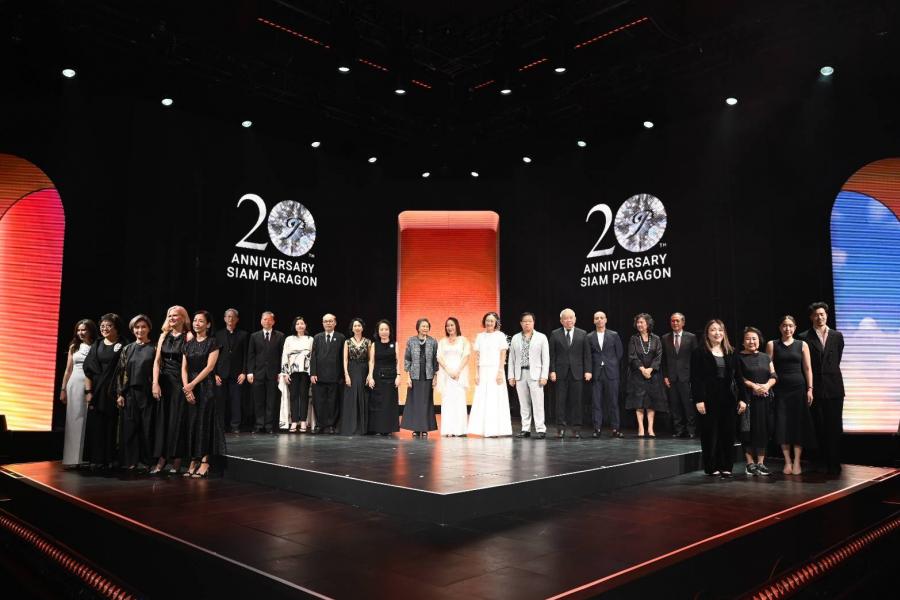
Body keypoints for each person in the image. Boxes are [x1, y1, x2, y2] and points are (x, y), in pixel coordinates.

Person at [798, 302, 845, 475]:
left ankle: (834, 462)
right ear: (811, 317)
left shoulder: (837, 336)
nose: (820, 317)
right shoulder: (804, 337)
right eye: (816, 315)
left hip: (834, 387)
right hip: (814, 387)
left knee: (835, 426)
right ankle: (819, 462)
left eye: (822, 314)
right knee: (817, 426)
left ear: (827, 315)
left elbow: (837, 359)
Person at [767, 315, 816, 475]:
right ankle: (787, 461)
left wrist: (810, 389)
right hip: (780, 390)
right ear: (780, 327)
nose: (787, 328)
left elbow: (808, 368)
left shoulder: (802, 344)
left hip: (798, 389)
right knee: (783, 425)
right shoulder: (772, 344)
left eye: (790, 325)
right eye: (784, 325)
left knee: (798, 425)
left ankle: (797, 461)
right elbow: (769, 368)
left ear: (795, 328)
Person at [691, 319, 738, 477]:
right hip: (708, 398)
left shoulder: (731, 351)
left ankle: (726, 466)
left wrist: (743, 399)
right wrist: (698, 399)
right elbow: (695, 378)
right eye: (713, 330)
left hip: (728, 398)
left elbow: (738, 377)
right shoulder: (699, 352)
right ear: (707, 333)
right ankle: (711, 467)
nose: (717, 333)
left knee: (728, 433)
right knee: (710, 434)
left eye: (720, 330)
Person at [151, 305, 193, 475]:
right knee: (163, 420)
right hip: (164, 381)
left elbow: (187, 365)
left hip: (178, 381)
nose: (171, 318)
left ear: (183, 318)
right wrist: (155, 382)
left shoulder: (188, 336)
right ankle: (162, 458)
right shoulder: (163, 335)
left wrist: (186, 386)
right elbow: (157, 361)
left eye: (175, 315)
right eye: (169, 316)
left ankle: (176, 459)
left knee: (177, 420)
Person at [181, 310, 222, 478]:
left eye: (201, 321)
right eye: (195, 320)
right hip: (190, 386)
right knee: (192, 423)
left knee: (205, 422)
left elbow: (209, 367)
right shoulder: (188, 344)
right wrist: (187, 387)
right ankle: (193, 459)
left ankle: (205, 460)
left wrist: (192, 384)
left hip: (205, 386)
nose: (196, 323)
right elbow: (184, 368)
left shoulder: (213, 342)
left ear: (208, 324)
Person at [82, 313, 126, 469]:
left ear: (116, 328)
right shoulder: (97, 344)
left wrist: (121, 392)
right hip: (97, 390)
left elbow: (125, 371)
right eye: (102, 326)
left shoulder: (124, 344)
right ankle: (96, 458)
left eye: (109, 326)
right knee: (96, 425)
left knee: (112, 425)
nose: (104, 328)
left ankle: (110, 459)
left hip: (114, 391)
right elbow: (88, 370)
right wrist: (88, 392)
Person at [115, 315, 157, 471]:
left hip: (148, 393)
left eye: (143, 327)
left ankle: (147, 461)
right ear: (133, 330)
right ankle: (130, 461)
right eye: (137, 327)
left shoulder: (154, 348)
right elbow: (121, 372)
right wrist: (120, 393)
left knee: (147, 428)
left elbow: (159, 370)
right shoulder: (127, 349)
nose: (140, 330)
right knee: (130, 428)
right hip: (130, 393)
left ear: (149, 329)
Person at [735, 327, 777, 476]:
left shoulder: (765, 357)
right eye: (748, 339)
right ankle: (749, 463)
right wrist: (754, 386)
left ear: (759, 341)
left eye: (754, 338)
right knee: (747, 431)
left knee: (763, 431)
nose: (751, 341)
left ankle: (761, 463)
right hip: (747, 399)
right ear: (743, 342)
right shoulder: (738, 357)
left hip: (764, 399)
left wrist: (766, 386)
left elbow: (774, 375)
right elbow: (739, 377)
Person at [549, 308, 592, 438]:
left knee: (577, 402)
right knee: (560, 402)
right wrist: (552, 370)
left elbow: (587, 355)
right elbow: (552, 355)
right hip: (560, 373)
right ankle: (560, 428)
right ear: (561, 320)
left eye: (571, 318)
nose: (568, 320)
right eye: (566, 318)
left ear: (575, 319)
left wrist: (588, 370)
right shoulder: (555, 334)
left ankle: (576, 428)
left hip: (577, 372)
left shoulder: (582, 334)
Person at [60, 319, 97, 467]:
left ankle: (85, 458)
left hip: (90, 384)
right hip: (74, 383)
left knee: (88, 421)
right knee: (74, 420)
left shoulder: (96, 345)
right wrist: (63, 389)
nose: (81, 332)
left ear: (90, 330)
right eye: (79, 330)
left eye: (84, 330)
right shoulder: (74, 347)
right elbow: (68, 370)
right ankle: (72, 459)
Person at [469, 312, 512, 437]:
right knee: (482, 399)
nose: (489, 323)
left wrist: (500, 371)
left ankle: (494, 429)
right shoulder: (480, 336)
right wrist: (477, 373)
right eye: (487, 320)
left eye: (492, 321)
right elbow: (477, 357)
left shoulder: (500, 336)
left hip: (495, 370)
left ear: (496, 323)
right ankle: (482, 429)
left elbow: (503, 355)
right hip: (483, 370)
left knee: (495, 399)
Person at [508, 312, 549, 439]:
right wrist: (511, 376)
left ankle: (540, 429)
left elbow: (546, 358)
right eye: (524, 321)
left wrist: (544, 376)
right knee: (524, 403)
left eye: (529, 321)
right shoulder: (515, 338)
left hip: (535, 374)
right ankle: (525, 429)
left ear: (533, 323)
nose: (527, 323)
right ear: (521, 323)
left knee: (538, 403)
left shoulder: (541, 337)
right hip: (520, 374)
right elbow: (512, 358)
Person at [625, 313, 667, 438]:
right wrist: (643, 369)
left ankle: (650, 428)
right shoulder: (634, 339)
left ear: (648, 324)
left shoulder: (656, 339)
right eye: (638, 322)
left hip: (653, 375)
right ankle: (641, 428)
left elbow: (659, 356)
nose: (639, 324)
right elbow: (632, 356)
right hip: (637, 374)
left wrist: (650, 369)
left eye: (641, 322)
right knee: (639, 402)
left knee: (651, 402)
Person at [587, 311, 625, 438]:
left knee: (613, 402)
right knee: (596, 403)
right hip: (596, 373)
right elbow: (588, 356)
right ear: (594, 321)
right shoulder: (589, 337)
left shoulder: (614, 335)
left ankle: (615, 429)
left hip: (611, 373)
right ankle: (597, 428)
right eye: (596, 318)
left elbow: (619, 353)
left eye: (601, 318)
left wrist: (610, 363)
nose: (599, 320)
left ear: (606, 320)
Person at [247, 311, 285, 434]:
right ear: (261, 321)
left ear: (273, 322)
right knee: (258, 401)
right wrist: (250, 372)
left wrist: (281, 372)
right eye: (264, 319)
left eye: (269, 319)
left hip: (273, 374)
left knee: (271, 401)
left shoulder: (280, 336)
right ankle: (259, 424)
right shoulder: (254, 336)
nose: (267, 321)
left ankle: (269, 425)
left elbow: (282, 356)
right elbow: (251, 355)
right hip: (258, 373)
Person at [661, 313, 699, 438]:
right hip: (671, 377)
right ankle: (679, 430)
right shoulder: (665, 338)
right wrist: (665, 376)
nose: (675, 323)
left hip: (686, 377)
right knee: (675, 405)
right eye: (672, 321)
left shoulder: (691, 337)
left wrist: (694, 377)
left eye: (677, 321)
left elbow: (696, 359)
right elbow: (663, 360)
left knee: (688, 405)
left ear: (683, 323)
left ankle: (691, 430)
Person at [401, 318, 439, 437]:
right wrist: (408, 377)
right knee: (415, 402)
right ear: (418, 328)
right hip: (414, 375)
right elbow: (407, 359)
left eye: (427, 326)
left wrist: (435, 377)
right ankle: (416, 429)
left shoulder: (433, 341)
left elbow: (435, 360)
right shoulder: (411, 341)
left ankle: (425, 428)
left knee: (426, 402)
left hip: (428, 375)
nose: (425, 328)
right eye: (423, 326)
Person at [310, 313, 345, 434]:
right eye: (326, 321)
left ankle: (331, 425)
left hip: (335, 376)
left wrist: (342, 375)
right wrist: (313, 373)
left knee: (333, 402)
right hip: (319, 376)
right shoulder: (317, 337)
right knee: (319, 402)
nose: (328, 323)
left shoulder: (340, 337)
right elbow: (313, 356)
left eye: (330, 321)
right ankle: (320, 425)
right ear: (322, 323)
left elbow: (343, 358)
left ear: (335, 323)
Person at [214, 308, 248, 434]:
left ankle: (235, 425)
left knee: (236, 401)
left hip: (237, 373)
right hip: (221, 373)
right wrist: (214, 374)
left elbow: (246, 355)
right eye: (228, 316)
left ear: (237, 319)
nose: (230, 319)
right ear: (224, 319)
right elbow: (213, 356)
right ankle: (220, 426)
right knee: (220, 401)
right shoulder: (218, 335)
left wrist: (244, 372)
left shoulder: (244, 335)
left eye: (233, 317)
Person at [437, 317, 470, 437]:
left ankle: (460, 430)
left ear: (456, 326)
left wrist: (457, 371)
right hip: (447, 375)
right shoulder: (442, 341)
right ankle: (448, 430)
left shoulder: (463, 340)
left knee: (459, 401)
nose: (449, 327)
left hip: (459, 375)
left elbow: (466, 356)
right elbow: (439, 357)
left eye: (452, 325)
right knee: (447, 402)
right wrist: (448, 371)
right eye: (447, 326)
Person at [280, 316, 313, 433]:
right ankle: (294, 421)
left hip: (305, 371)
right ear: (294, 326)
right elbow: (284, 355)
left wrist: (312, 373)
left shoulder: (310, 339)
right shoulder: (289, 339)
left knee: (304, 396)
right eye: (297, 324)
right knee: (293, 396)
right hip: (292, 372)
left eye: (302, 323)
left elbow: (313, 356)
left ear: (305, 325)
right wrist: (285, 373)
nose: (300, 325)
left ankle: (303, 421)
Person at [368, 319, 400, 435]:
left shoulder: (395, 344)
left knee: (389, 403)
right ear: (378, 331)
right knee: (378, 402)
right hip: (377, 377)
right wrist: (370, 376)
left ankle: (388, 429)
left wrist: (398, 376)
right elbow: (371, 361)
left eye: (386, 329)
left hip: (391, 378)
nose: (384, 331)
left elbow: (398, 361)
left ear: (389, 331)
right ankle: (378, 428)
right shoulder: (374, 345)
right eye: (381, 329)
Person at [340, 318, 371, 435]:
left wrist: (369, 374)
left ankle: (362, 428)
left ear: (362, 328)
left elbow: (370, 360)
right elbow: (345, 360)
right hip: (351, 370)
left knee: (363, 396)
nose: (357, 328)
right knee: (351, 397)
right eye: (355, 326)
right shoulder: (347, 342)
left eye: (359, 326)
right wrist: (346, 375)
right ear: (352, 328)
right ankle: (350, 427)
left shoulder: (368, 342)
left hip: (364, 370)